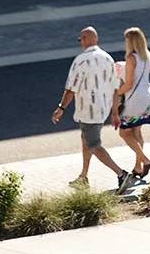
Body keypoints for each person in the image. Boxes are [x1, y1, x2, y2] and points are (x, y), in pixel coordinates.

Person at [52, 26, 134, 193]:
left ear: (85, 39)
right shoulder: (107, 58)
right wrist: (114, 113)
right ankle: (83, 177)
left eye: (81, 39)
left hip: (88, 111)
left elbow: (70, 89)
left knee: (93, 144)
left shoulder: (80, 60)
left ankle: (121, 174)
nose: (80, 43)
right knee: (85, 140)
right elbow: (115, 88)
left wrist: (61, 108)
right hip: (102, 109)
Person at [113, 27, 150, 179]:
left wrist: (115, 92)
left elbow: (129, 83)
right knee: (137, 132)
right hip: (147, 96)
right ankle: (138, 167)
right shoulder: (147, 55)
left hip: (134, 98)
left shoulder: (131, 58)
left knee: (124, 132)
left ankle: (145, 160)